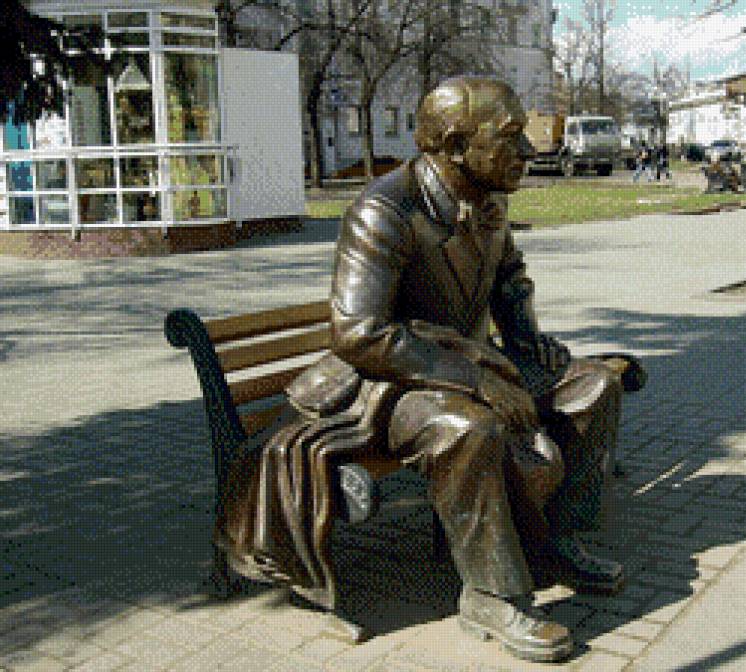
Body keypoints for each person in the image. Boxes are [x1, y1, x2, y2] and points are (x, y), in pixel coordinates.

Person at [214, 76, 645, 664]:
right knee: (469, 429)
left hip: (469, 361)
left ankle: (552, 542)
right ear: (456, 145)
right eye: (510, 137)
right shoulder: (384, 210)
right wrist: (476, 381)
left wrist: (526, 340)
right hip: (389, 383)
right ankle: (493, 596)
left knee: (595, 387)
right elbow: (359, 333)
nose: (528, 151)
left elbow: (510, 280)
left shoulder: (490, 198)